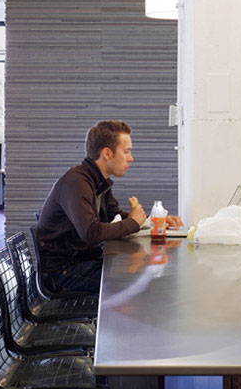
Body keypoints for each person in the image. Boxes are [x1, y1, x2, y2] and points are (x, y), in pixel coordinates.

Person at [35, 120, 183, 295]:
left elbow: (117, 216)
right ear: (107, 153)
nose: (131, 158)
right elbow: (91, 233)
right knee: (143, 280)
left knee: (150, 274)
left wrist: (155, 221)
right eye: (126, 151)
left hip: (83, 261)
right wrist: (134, 222)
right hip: (62, 272)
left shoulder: (98, 182)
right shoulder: (77, 182)